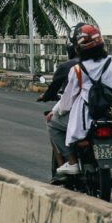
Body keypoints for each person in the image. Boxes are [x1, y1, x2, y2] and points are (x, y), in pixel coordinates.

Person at [47, 24, 112, 176]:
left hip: (85, 120)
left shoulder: (78, 70)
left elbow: (67, 101)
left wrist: (56, 112)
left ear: (78, 49)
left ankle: (72, 162)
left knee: (53, 124)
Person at [38, 27, 82, 181]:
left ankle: (70, 162)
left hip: (80, 115)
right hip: (107, 115)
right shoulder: (111, 64)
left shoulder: (71, 67)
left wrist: (50, 102)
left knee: (52, 123)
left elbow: (66, 98)